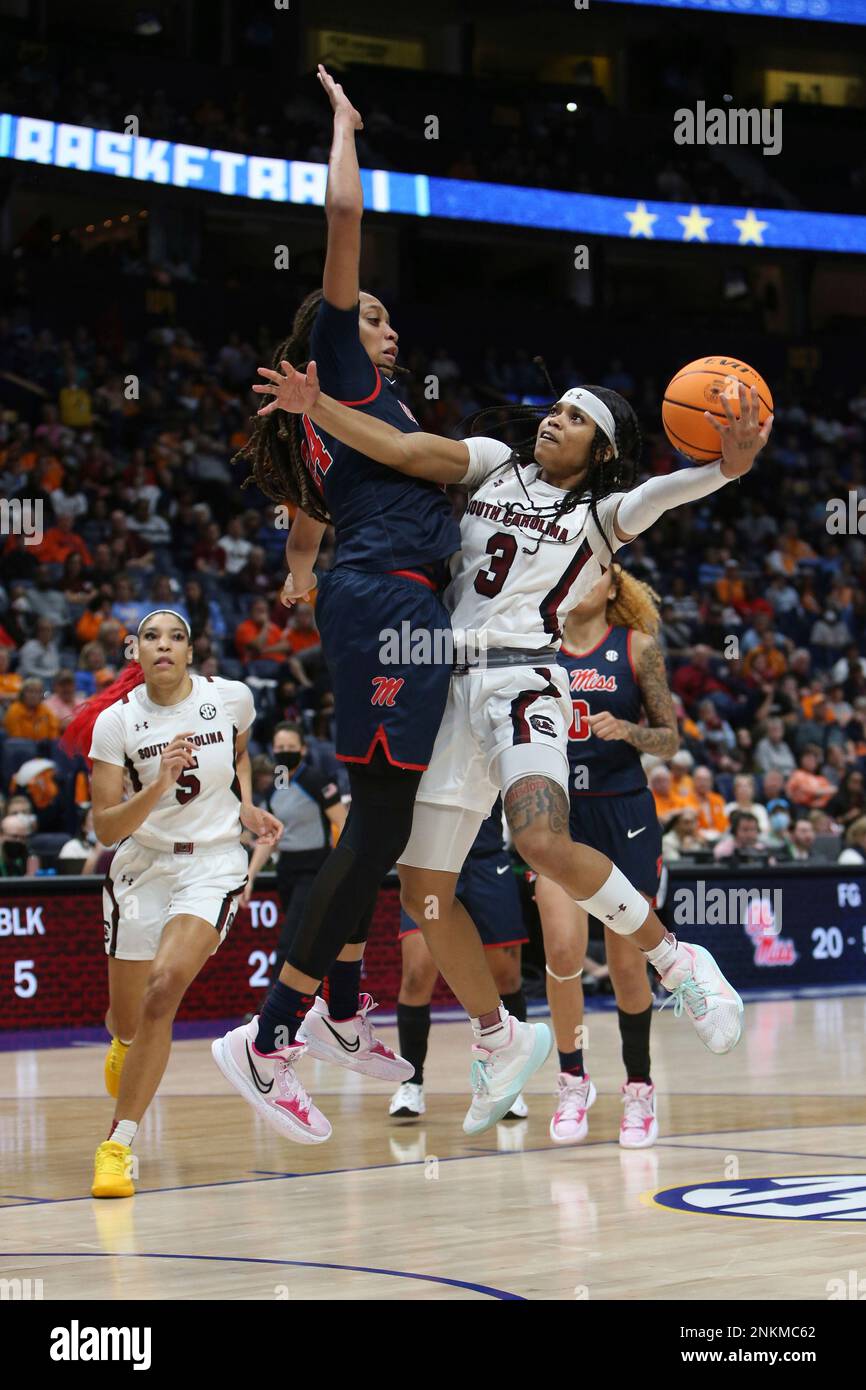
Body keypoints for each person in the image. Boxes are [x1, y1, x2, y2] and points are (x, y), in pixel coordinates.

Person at [257, 332, 772, 1132]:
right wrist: (314, 405)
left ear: (601, 451)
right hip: (444, 685)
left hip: (525, 678)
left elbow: (672, 492)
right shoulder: (494, 459)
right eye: (554, 409)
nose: (553, 422)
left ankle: (679, 963)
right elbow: (399, 444)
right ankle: (499, 1041)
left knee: (540, 842)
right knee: (425, 892)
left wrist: (730, 467)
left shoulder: (602, 514)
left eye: (574, 418)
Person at [211, 67, 475, 1145]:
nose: (385, 329)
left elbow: (309, 511)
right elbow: (343, 214)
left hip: (389, 602)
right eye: (371, 316)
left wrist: (303, 564)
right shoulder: (336, 366)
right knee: (376, 821)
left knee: (387, 822)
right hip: (386, 607)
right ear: (326, 335)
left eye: (383, 320)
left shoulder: (361, 409)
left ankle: (336, 1011)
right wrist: (343, 127)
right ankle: (272, 1031)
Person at [60, 609, 283, 1197]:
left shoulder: (231, 697)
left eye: (177, 637)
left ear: (191, 652)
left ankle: (117, 1146)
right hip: (143, 865)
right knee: (127, 1016)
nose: (165, 645)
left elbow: (238, 757)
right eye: (152, 637)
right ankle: (124, 1041)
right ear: (135, 652)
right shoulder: (115, 724)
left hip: (212, 863)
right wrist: (158, 784)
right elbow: (106, 828)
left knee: (164, 990)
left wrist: (245, 808)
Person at [533, 565, 675, 1147]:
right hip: (561, 814)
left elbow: (669, 736)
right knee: (563, 951)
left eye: (594, 574)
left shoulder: (638, 647)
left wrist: (630, 732)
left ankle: (639, 1089)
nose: (581, 582)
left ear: (614, 586)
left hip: (625, 815)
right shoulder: (539, 650)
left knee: (625, 963)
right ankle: (572, 1080)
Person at [390, 799, 529, 1121]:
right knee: (416, 976)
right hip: (430, 864)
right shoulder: (421, 748)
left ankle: (507, 1085)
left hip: (486, 861)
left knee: (506, 978)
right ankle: (411, 1082)